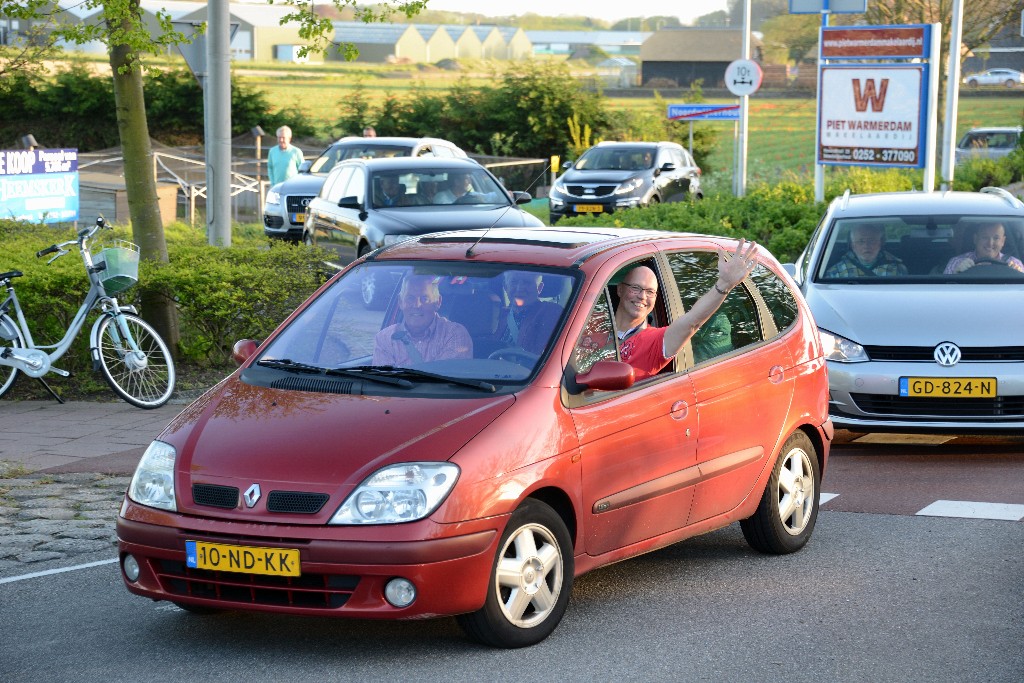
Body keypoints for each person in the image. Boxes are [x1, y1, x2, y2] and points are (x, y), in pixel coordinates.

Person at [612, 240, 757, 381]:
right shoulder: (594, 321)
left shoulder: (654, 342)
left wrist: (725, 283)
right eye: (635, 288)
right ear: (620, 289)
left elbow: (692, 321)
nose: (642, 296)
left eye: (650, 292)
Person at [372, 274, 472, 366]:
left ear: (438, 302)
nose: (417, 305)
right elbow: (384, 382)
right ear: (400, 302)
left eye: (425, 299)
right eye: (410, 298)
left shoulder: (454, 334)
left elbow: (445, 381)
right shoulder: (385, 338)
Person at [499, 272, 563, 355]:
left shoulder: (551, 312)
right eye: (513, 282)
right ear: (505, 286)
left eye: (527, 282)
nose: (519, 288)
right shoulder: (499, 315)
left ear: (539, 288)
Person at [825, 223, 908, 277]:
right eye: (861, 241)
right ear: (853, 245)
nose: (866, 245)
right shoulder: (836, 272)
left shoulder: (898, 269)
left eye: (872, 240)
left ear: (880, 243)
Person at [944, 221, 1024, 274]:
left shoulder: (1015, 264)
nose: (990, 243)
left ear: (1003, 241)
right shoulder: (956, 263)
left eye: (996, 238)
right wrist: (956, 275)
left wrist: (1017, 275)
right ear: (975, 239)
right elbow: (944, 293)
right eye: (985, 237)